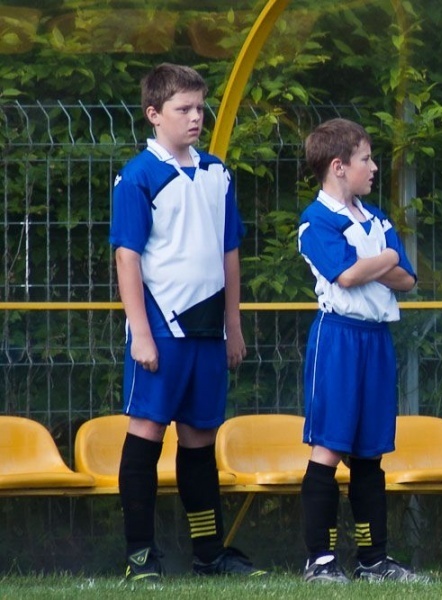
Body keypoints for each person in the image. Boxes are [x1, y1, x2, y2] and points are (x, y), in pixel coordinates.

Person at [110, 63, 265, 581]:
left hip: (209, 332)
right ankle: (139, 557)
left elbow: (229, 252)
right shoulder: (138, 175)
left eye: (200, 108)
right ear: (154, 115)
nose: (196, 117)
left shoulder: (218, 173)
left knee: (200, 441)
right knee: (146, 438)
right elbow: (127, 257)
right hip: (162, 328)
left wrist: (234, 325)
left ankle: (209, 554)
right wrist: (141, 334)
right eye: (183, 109)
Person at [297, 118, 426, 584]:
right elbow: (345, 276)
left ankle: (374, 560)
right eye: (366, 159)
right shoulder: (316, 221)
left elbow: (407, 280)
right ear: (338, 166)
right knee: (329, 449)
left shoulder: (376, 219)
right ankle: (321, 561)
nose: (373, 168)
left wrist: (381, 263)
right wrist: (387, 259)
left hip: (376, 340)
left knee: (370, 454)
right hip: (338, 340)